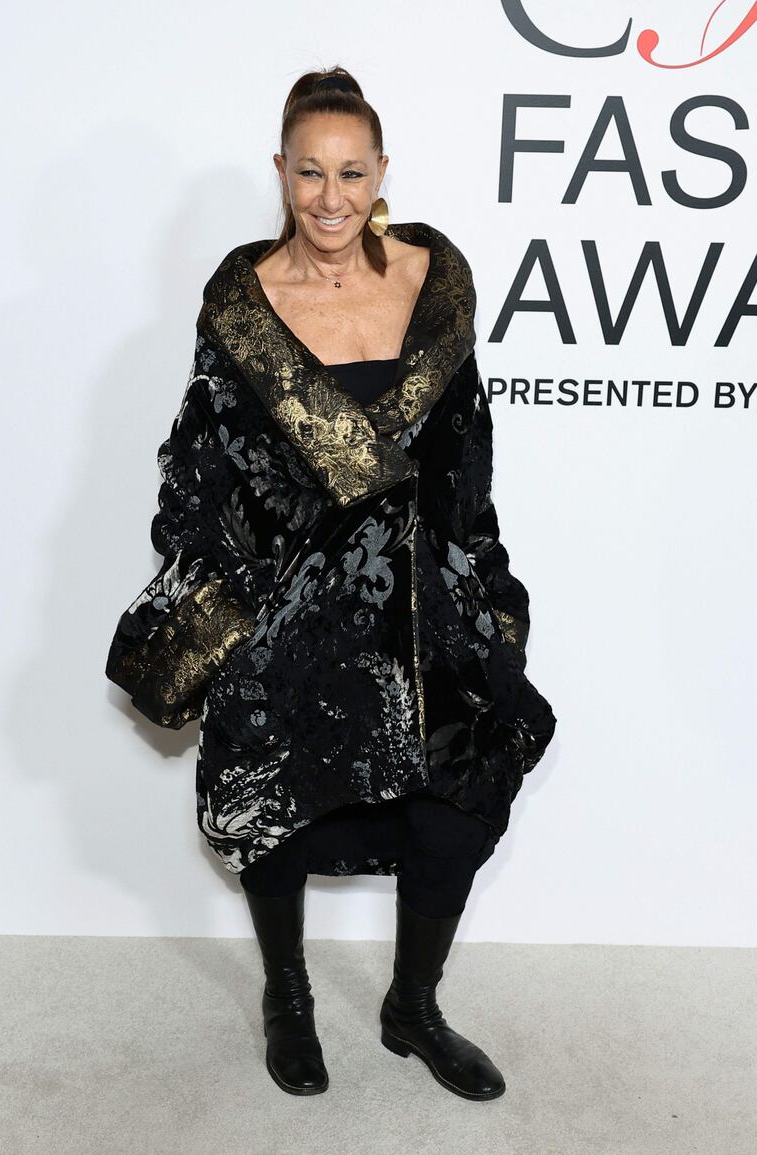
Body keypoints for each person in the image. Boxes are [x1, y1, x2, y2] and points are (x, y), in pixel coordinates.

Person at [106, 66, 557, 1102]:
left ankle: (413, 1006)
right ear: (280, 171)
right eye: (308, 172)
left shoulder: (433, 289)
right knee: (279, 805)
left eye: (350, 172)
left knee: (458, 793)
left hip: (418, 599)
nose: (328, 196)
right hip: (289, 605)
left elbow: (461, 454)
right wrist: (236, 582)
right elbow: (198, 466)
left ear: (380, 172)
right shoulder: (243, 304)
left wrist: (483, 585)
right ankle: (290, 1000)